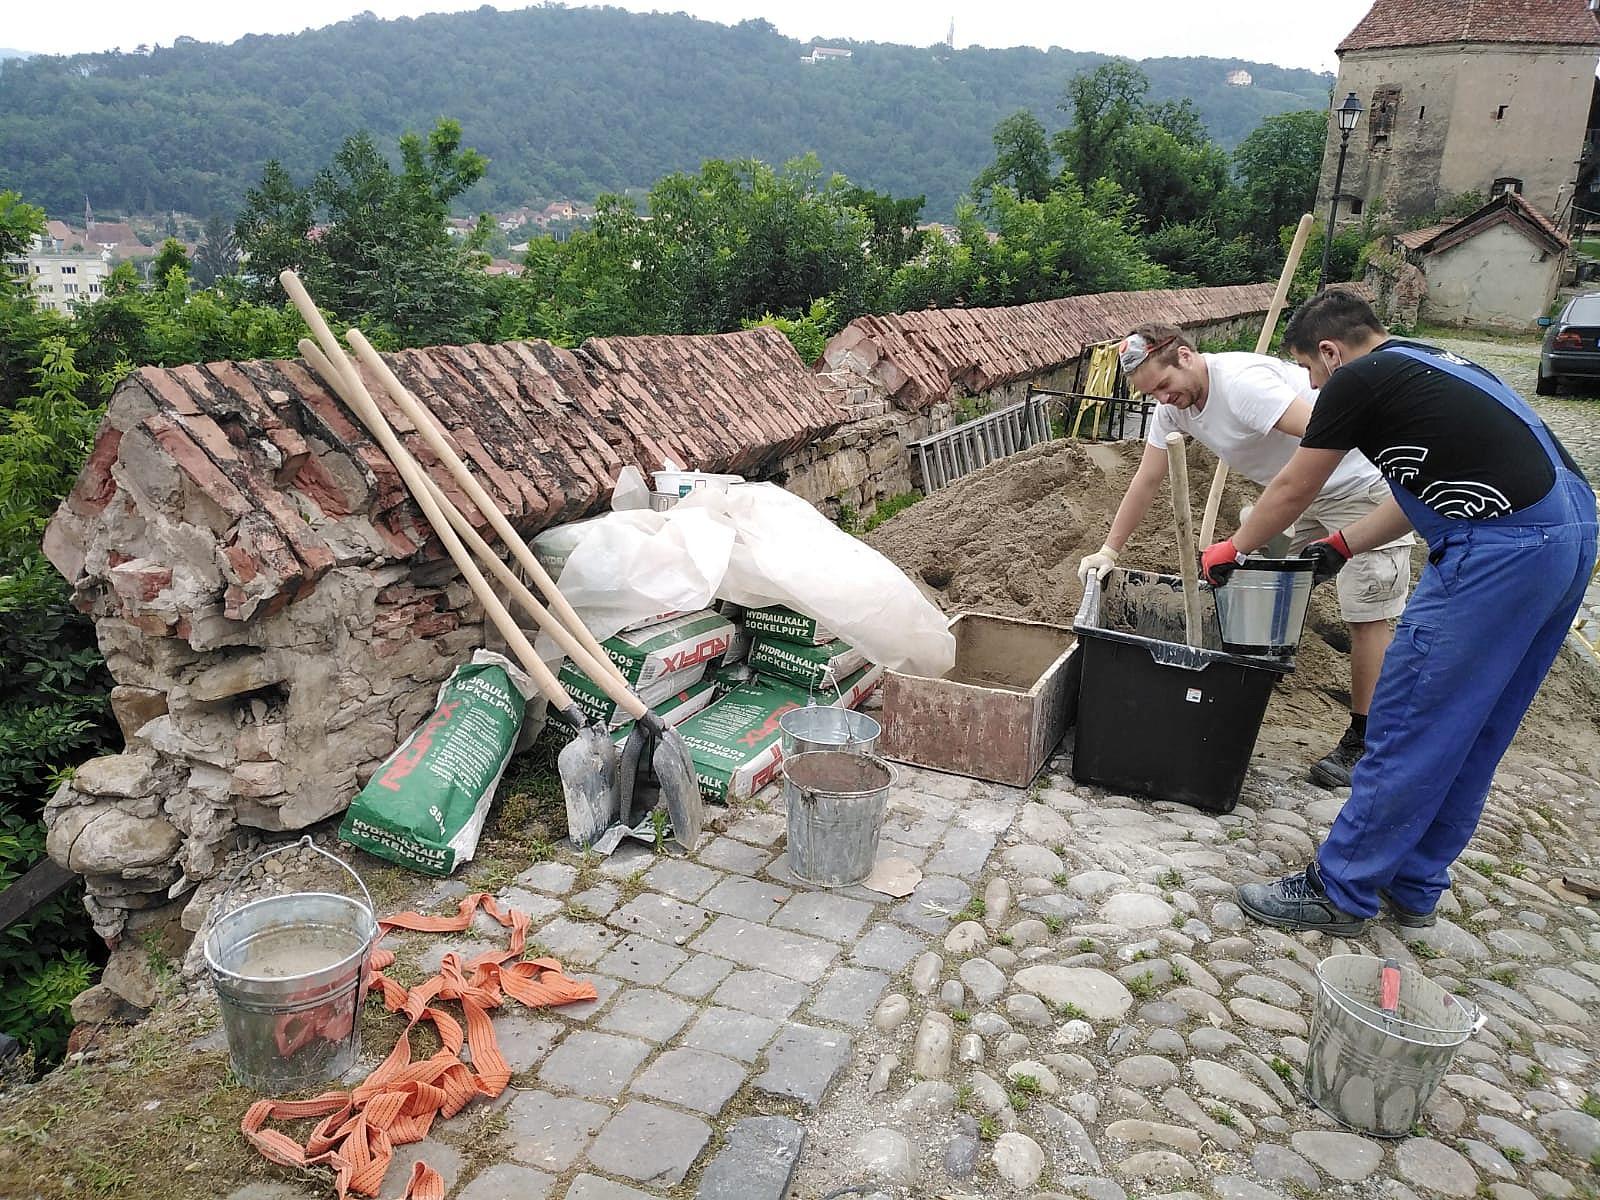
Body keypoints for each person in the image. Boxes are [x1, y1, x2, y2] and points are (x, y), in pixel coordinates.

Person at [1201, 290, 1596, 934]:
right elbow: (1428, 490)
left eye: (1309, 371)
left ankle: (1342, 888)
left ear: (1330, 353)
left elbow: (1296, 484)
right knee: (1476, 725)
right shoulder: (1432, 364)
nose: (1311, 385)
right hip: (1566, 532)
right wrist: (1341, 543)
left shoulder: (1358, 379)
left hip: (1500, 547)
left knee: (1410, 714)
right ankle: (1414, 883)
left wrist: (1232, 548)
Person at [1078, 321, 1413, 787]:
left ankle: (1366, 738)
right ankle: (1245, 687)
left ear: (1186, 357)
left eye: (1164, 385)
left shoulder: (1243, 386)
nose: (1162, 399)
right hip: (1297, 493)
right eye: (1151, 394)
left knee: (1365, 610)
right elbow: (1147, 480)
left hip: (1360, 486)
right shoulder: (1172, 411)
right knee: (1259, 587)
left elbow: (1332, 436)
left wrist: (1242, 540)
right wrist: (1108, 550)